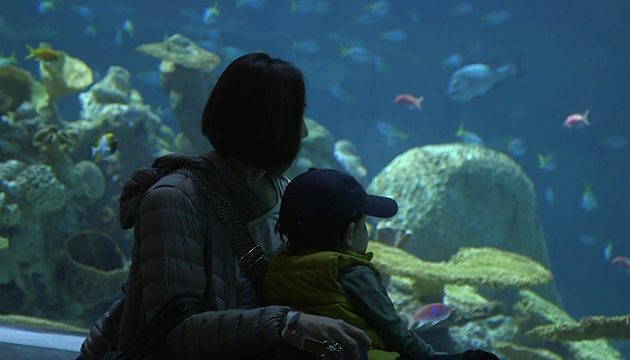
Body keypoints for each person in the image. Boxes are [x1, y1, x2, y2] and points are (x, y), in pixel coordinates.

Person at [77, 53, 371, 360]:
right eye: (296, 118)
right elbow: (174, 332)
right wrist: (286, 323)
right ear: (267, 124)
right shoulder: (174, 200)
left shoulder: (284, 191)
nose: (303, 133)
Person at [265, 168, 501, 360]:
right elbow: (396, 333)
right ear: (349, 234)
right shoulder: (351, 273)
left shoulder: (275, 268)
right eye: (364, 223)